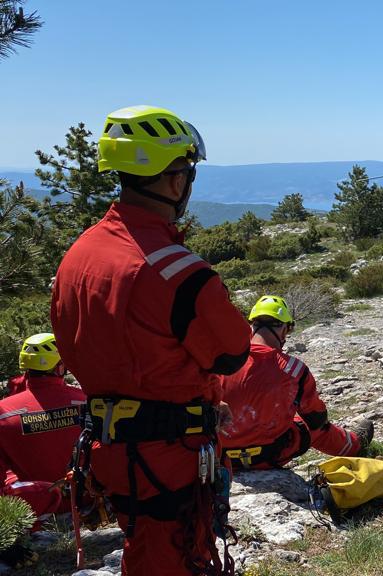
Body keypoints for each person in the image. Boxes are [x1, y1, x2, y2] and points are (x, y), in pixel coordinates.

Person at [51, 105, 252, 576]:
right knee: (173, 559)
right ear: (173, 180)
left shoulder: (79, 255)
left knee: (144, 547)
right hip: (168, 455)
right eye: (186, 170)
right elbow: (230, 352)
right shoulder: (179, 271)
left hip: (110, 450)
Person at [220, 295, 373, 470]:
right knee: (309, 425)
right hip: (269, 455)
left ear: (251, 325)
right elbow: (316, 418)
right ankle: (354, 444)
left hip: (220, 456)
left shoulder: (221, 363)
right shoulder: (294, 369)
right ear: (284, 330)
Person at [0, 333, 85, 521]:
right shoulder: (84, 400)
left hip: (34, 506)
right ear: (59, 366)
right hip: (86, 499)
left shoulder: (4, 411)